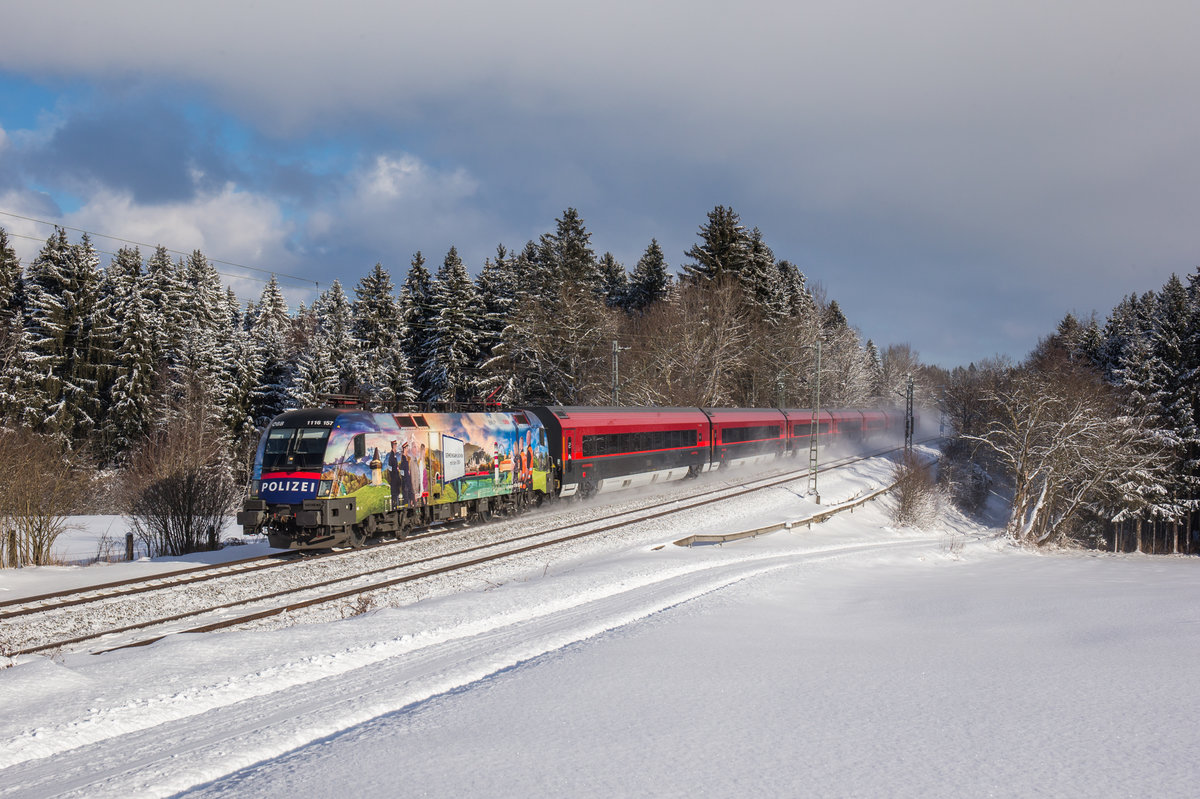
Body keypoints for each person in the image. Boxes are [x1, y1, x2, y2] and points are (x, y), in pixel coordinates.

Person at [387, 440, 403, 509]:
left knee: (396, 498)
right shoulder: (391, 457)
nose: (396, 446)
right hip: (394, 482)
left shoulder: (393, 456)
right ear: (393, 446)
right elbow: (391, 470)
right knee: (394, 498)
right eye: (395, 444)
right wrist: (395, 479)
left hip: (395, 481)